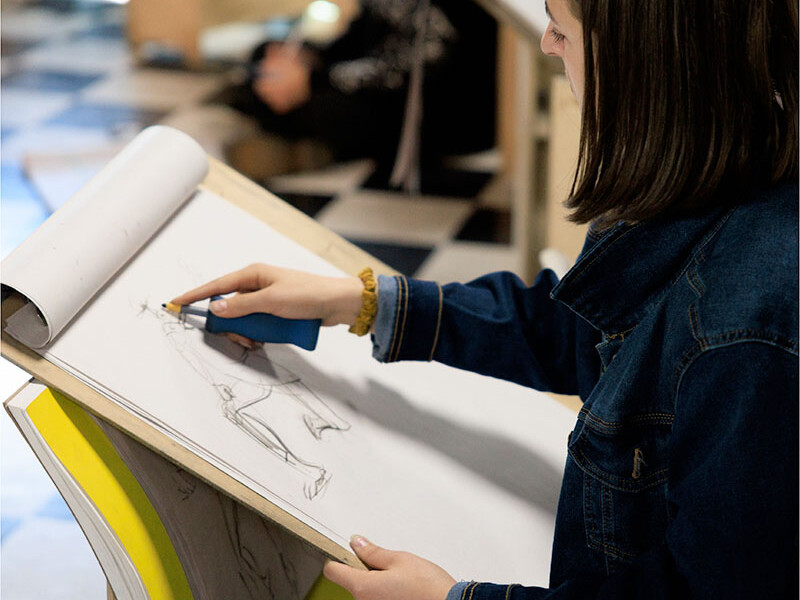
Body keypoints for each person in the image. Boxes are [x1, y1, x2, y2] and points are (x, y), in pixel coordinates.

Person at [171, 0, 799, 598]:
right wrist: (359, 302)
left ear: (641, 61)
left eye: (562, 30)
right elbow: (577, 332)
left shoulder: (747, 332)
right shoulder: (715, 180)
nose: (548, 46)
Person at [228, 0, 497, 188]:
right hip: (382, 76)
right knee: (264, 58)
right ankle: (296, 129)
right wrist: (314, 58)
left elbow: (424, 61)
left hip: (447, 103)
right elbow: (367, 31)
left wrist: (316, 78)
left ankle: (313, 144)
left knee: (328, 106)